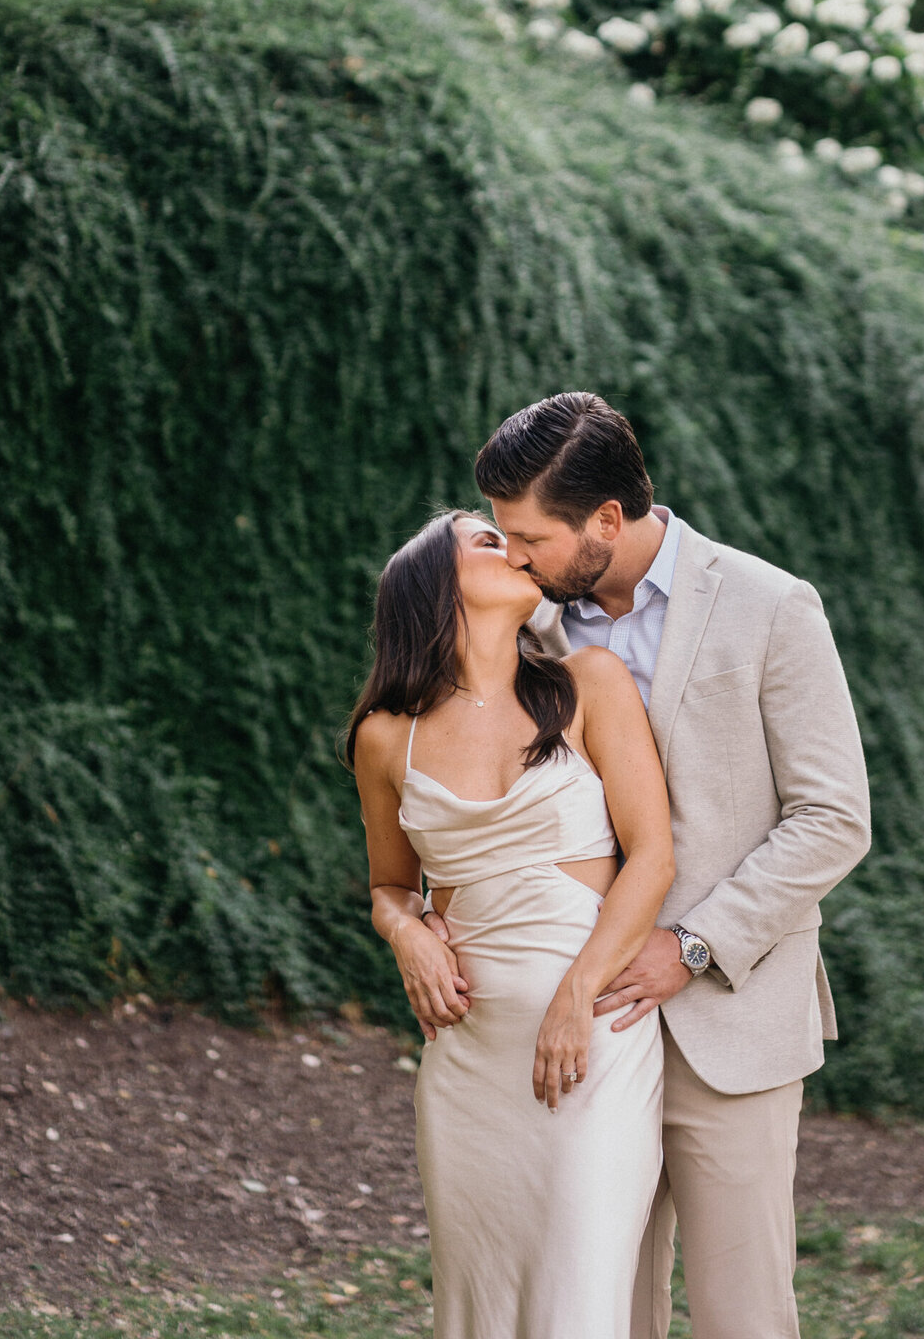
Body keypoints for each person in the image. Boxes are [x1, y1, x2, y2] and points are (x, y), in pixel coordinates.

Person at [426, 393, 871, 1339]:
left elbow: (833, 818)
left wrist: (696, 944)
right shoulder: (529, 624)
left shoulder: (769, 604)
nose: (513, 556)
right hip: (572, 1020)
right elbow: (477, 787)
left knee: (740, 1315)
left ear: (608, 520)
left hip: (727, 1015)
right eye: (500, 537)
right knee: (597, 1309)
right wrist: (422, 915)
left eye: (529, 536)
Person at [346, 508, 676, 1339]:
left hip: (594, 1039)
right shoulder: (387, 738)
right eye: (488, 540)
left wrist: (576, 997)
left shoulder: (589, 685)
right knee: (483, 1307)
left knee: (580, 1296)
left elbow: (652, 859)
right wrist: (409, 931)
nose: (519, 550)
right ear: (433, 584)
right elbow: (389, 884)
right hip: (469, 1065)